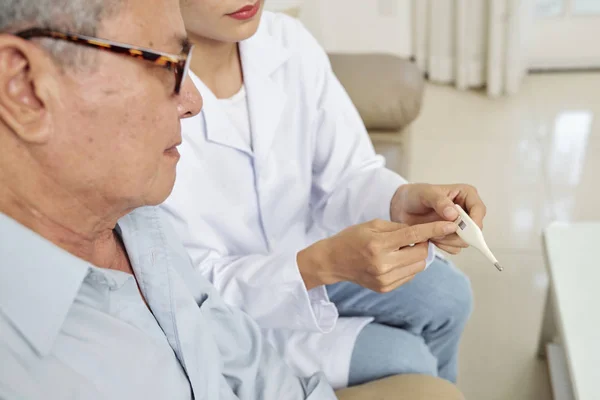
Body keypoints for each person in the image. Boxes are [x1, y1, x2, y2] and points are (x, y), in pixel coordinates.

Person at [0, 1, 338, 399]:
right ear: (24, 86)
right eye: (168, 65)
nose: (193, 101)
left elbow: (258, 372)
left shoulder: (141, 223)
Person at [161, 0, 483, 390]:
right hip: (234, 317)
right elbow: (189, 290)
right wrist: (319, 265)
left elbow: (349, 172)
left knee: (450, 295)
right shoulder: (147, 96)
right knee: (408, 360)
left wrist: (400, 200)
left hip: (318, 258)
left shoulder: (287, 41)